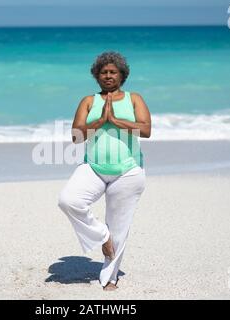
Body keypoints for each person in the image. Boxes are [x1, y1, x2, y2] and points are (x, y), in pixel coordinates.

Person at [57, 51, 151, 291]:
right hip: (93, 167)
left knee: (119, 224)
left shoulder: (134, 99)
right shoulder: (89, 101)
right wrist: (98, 121)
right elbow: (76, 136)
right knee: (68, 201)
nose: (108, 76)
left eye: (113, 72)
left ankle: (110, 277)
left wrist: (116, 120)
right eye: (103, 72)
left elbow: (146, 129)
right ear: (96, 76)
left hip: (128, 170)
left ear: (122, 75)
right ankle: (102, 236)